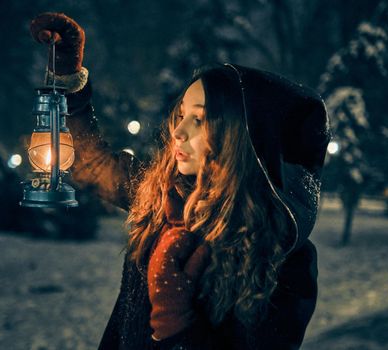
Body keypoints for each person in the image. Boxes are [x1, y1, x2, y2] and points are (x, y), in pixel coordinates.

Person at [30, 12, 330, 350]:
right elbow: (92, 164)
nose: (178, 131)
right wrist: (69, 78)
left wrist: (177, 325)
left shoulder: (282, 263)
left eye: (199, 119)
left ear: (242, 137)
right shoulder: (162, 199)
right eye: (182, 114)